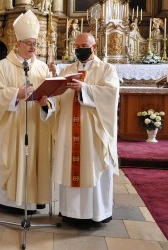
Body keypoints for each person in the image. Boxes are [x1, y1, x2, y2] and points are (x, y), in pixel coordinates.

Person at [43, 32, 119, 227]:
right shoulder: (68, 69)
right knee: (70, 166)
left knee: (92, 167)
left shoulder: (106, 69)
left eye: (84, 45)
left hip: (93, 132)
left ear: (94, 48)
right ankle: (70, 212)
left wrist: (84, 89)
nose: (79, 49)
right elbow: (58, 97)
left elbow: (111, 95)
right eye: (77, 46)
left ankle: (97, 213)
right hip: (69, 130)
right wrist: (47, 102)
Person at [0, 10, 52, 214]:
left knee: (34, 160)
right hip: (11, 125)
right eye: (29, 43)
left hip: (35, 124)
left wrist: (46, 103)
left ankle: (32, 201)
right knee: (10, 158)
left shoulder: (42, 68)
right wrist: (17, 94)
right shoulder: (3, 67)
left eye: (35, 43)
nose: (33, 47)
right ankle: (7, 201)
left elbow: (51, 97)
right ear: (18, 43)